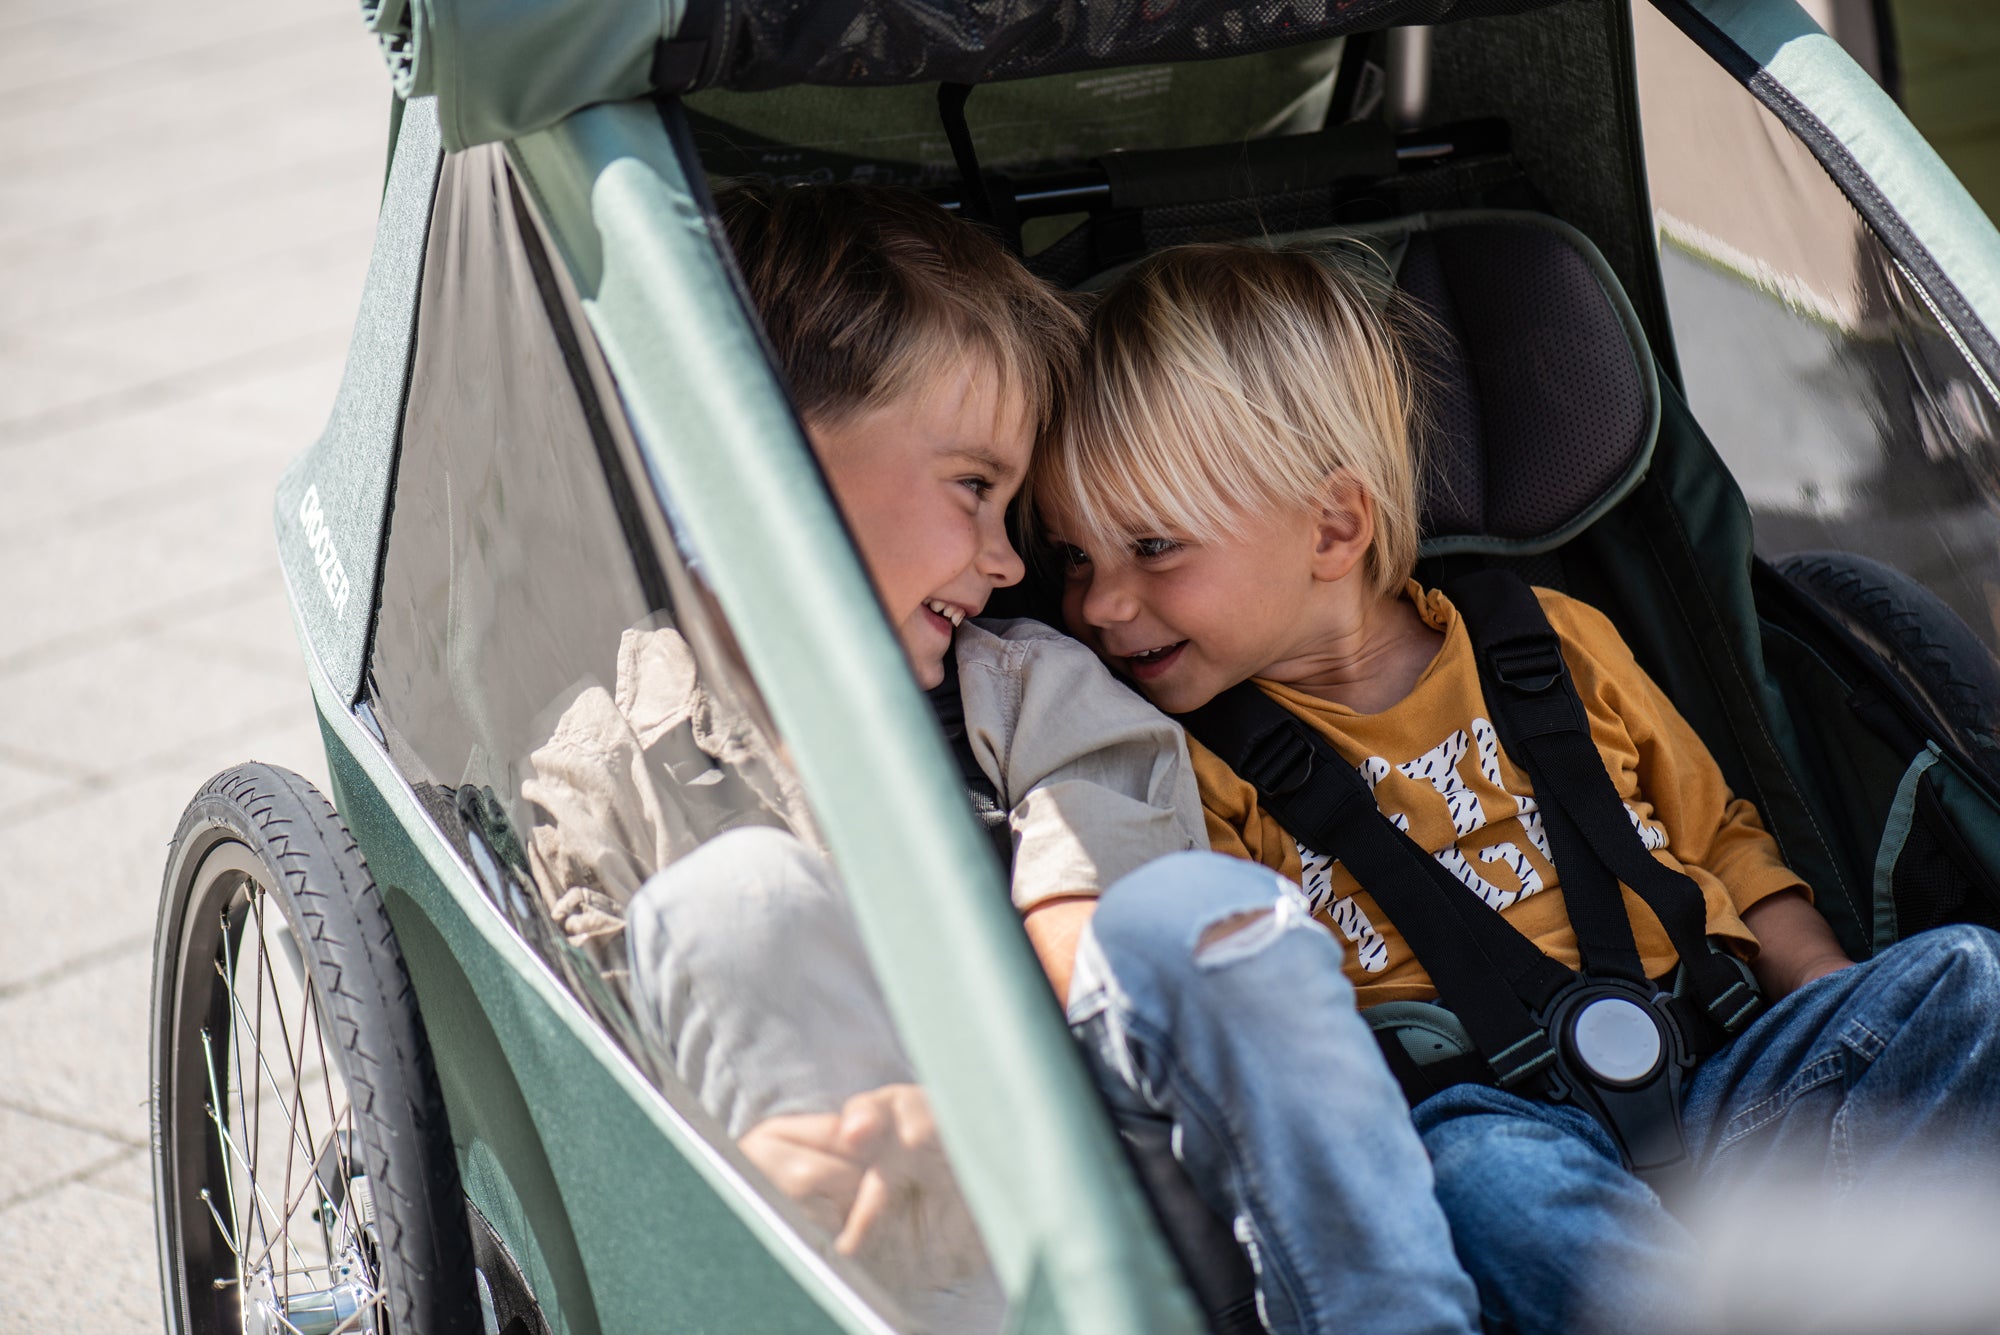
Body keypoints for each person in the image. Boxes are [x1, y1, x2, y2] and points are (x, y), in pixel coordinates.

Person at [1033, 240, 2000, 1335]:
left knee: (1966, 979)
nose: (1100, 605)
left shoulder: (1550, 641)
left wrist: (1824, 997)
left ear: (1332, 527)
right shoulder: (1194, 763)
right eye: (1071, 558)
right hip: (1486, 1122)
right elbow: (1266, 1028)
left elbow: (1723, 841)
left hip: (1727, 1073)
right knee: (1483, 1182)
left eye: (1151, 549)